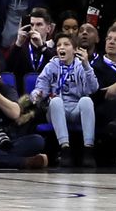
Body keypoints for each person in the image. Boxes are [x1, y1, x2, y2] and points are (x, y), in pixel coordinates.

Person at [29, 32, 99, 167]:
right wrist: (36, 94)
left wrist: (87, 66)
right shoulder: (51, 66)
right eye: (59, 45)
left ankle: (88, 149)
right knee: (55, 101)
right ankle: (65, 149)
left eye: (66, 45)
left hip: (76, 109)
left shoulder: (81, 66)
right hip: (56, 110)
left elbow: (93, 89)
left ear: (74, 49)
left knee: (87, 101)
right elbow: (40, 87)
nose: (61, 47)